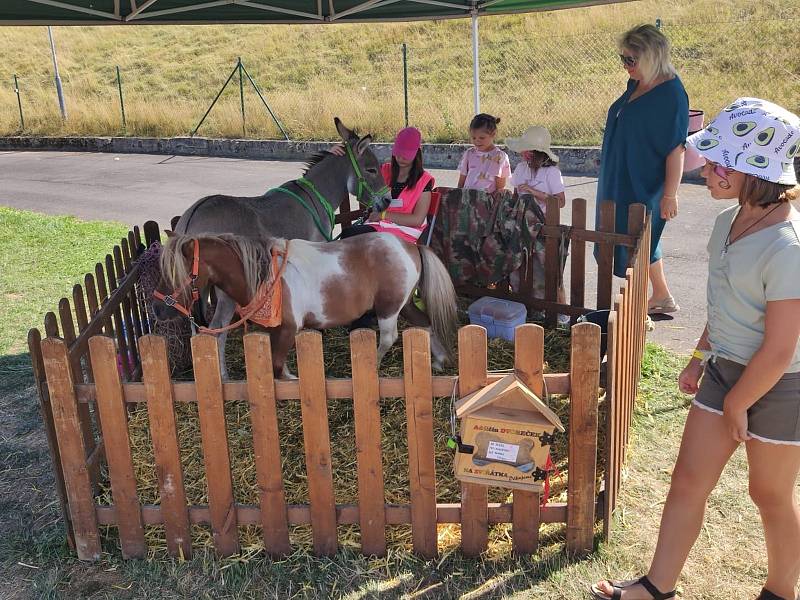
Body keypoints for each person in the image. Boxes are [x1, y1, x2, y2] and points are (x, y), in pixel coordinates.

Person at [592, 98, 800, 600]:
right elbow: (723, 300)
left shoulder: (787, 247)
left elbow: (780, 346)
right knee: (687, 480)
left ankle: (781, 591)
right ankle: (656, 586)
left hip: (779, 386)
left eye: (716, 160)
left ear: (753, 168)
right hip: (724, 372)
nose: (703, 168)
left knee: (768, 494)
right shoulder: (725, 221)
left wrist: (737, 403)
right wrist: (700, 355)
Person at [595, 23, 688, 315]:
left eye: (631, 60)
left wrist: (670, 195)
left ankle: (634, 309)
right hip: (619, 174)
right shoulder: (637, 82)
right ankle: (661, 295)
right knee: (639, 238)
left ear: (651, 56)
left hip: (644, 180)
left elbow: (676, 148)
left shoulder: (671, 93)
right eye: (622, 58)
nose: (625, 66)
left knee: (636, 239)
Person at [506, 125, 569, 325]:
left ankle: (561, 314)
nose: (524, 154)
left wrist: (535, 192)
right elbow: (516, 193)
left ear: (539, 153)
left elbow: (560, 201)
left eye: (528, 150)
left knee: (550, 270)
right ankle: (530, 310)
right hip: (522, 226)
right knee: (523, 267)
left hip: (545, 228)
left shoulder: (551, 172)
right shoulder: (521, 168)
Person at [334, 126, 435, 243]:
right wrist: (339, 152)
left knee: (351, 235)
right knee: (348, 234)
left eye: (406, 155)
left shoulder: (424, 181)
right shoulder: (384, 170)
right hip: (380, 225)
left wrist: (383, 215)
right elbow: (357, 169)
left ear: (417, 154)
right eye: (398, 153)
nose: (400, 158)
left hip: (405, 230)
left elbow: (417, 220)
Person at [457, 113, 511, 194]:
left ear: (493, 134)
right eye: (473, 138)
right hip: (467, 199)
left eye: (482, 138)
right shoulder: (469, 154)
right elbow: (462, 178)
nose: (477, 141)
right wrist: (458, 195)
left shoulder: (499, 156)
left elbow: (500, 186)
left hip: (486, 202)